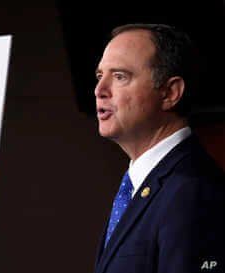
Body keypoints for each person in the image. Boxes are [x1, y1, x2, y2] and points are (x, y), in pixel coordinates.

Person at [92, 23, 224, 273]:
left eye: (120, 76)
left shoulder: (193, 190)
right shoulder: (141, 185)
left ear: (170, 93)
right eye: (100, 76)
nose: (100, 91)